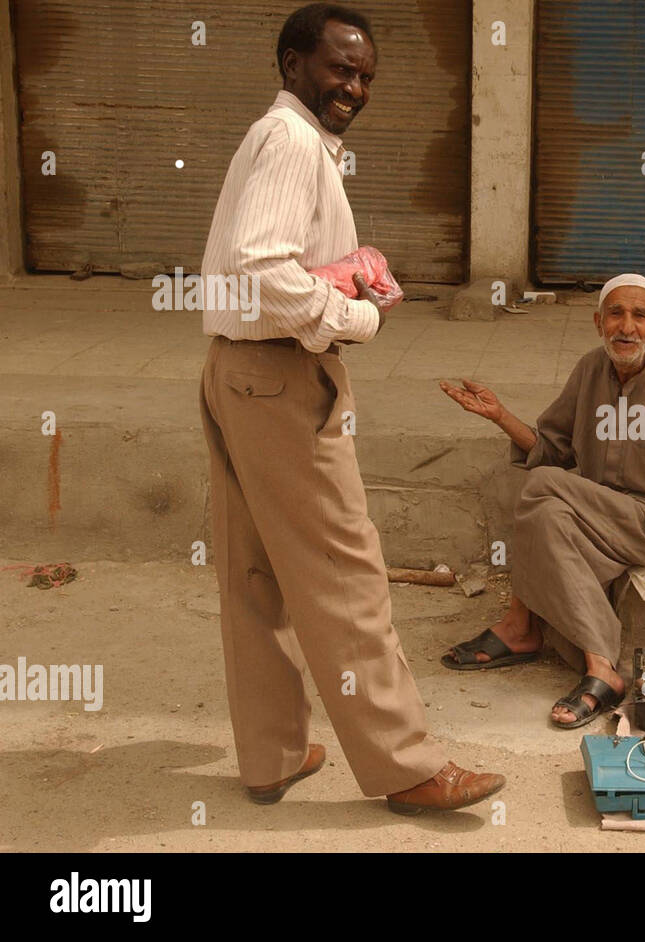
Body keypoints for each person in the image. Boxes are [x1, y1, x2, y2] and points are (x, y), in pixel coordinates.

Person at [199, 2, 503, 814]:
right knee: (348, 575)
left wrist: (337, 273)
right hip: (278, 379)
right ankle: (405, 767)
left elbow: (257, 261)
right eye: (339, 68)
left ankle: (272, 756)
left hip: (236, 369)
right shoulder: (294, 141)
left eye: (365, 74)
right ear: (292, 64)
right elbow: (263, 263)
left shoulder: (285, 140)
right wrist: (356, 317)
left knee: (256, 572)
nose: (354, 86)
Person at [440, 274, 645, 727]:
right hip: (593, 517)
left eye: (639, 316)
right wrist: (501, 416)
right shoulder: (589, 370)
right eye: (616, 314)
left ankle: (520, 625)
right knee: (544, 511)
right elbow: (555, 447)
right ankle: (597, 667)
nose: (626, 327)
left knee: (542, 487)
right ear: (597, 321)